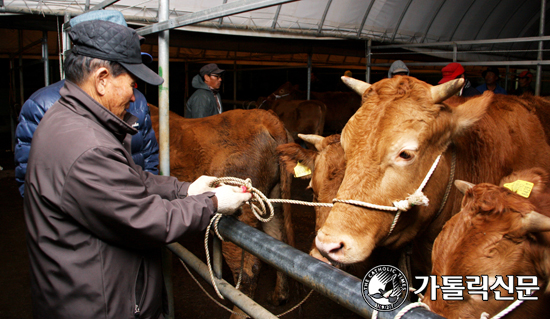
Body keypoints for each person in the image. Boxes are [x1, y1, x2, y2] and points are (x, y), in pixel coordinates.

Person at [24, 19, 251, 319]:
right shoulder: (88, 145)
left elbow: (128, 178)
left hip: (84, 287)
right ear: (102, 78)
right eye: (132, 84)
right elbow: (148, 220)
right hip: (101, 305)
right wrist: (213, 202)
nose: (134, 96)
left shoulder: (66, 120)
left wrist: (187, 188)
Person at [14, 10, 159, 198]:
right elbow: (31, 180)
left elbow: (149, 155)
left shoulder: (137, 100)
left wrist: (145, 201)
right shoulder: (41, 105)